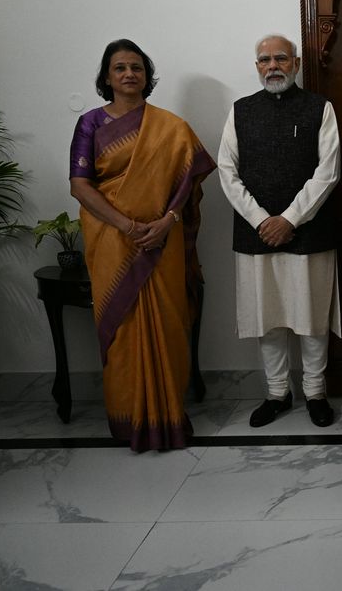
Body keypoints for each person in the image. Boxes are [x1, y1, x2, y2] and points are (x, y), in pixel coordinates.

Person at [69, 38, 215, 452]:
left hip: (163, 241)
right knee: (122, 326)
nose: (129, 74)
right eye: (120, 68)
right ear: (107, 77)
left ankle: (169, 414)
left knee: (168, 322)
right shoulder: (90, 124)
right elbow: (80, 186)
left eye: (136, 67)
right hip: (112, 241)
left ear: (147, 75)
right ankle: (128, 418)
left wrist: (167, 221)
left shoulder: (172, 127)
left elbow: (188, 183)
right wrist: (127, 225)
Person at [218, 34, 341, 428]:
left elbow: (328, 171)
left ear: (296, 64)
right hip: (256, 234)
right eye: (264, 60)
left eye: (281, 58)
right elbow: (227, 171)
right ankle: (276, 393)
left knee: (312, 318)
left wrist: (289, 219)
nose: (272, 66)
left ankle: (316, 393)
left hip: (309, 231)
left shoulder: (320, 108)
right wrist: (261, 220)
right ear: (257, 66)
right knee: (267, 318)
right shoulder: (241, 111)